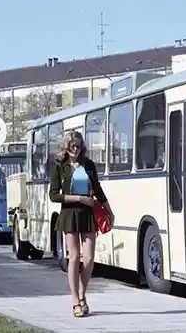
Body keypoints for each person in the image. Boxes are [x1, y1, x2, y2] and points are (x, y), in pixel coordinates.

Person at [49, 130, 114, 318]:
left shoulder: (89, 164)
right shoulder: (60, 166)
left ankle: (83, 295)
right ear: (66, 148)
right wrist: (78, 198)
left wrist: (109, 210)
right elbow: (54, 195)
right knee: (74, 257)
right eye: (71, 147)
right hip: (69, 214)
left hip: (88, 214)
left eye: (78, 146)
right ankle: (75, 300)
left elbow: (98, 190)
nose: (75, 149)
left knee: (89, 258)